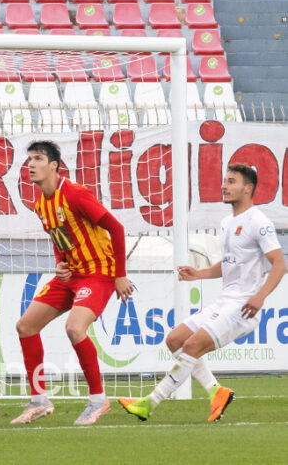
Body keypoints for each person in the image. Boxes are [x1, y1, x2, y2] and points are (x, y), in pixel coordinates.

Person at [120, 164, 285, 422]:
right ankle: (216, 392)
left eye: (231, 181)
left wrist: (260, 296)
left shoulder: (259, 222)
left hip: (243, 307)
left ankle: (149, 403)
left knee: (192, 345)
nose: (224, 185)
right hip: (224, 302)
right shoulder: (227, 222)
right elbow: (229, 263)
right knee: (174, 340)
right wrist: (199, 274)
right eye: (225, 180)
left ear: (248, 188)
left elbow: (279, 263)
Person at [12, 140, 133, 426]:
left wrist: (119, 274)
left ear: (54, 165)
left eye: (38, 159)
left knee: (74, 328)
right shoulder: (41, 203)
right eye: (29, 159)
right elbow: (60, 238)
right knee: (25, 326)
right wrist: (60, 264)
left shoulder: (76, 194)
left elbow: (115, 227)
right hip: (72, 275)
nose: (31, 164)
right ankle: (39, 400)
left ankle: (98, 401)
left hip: (98, 272)